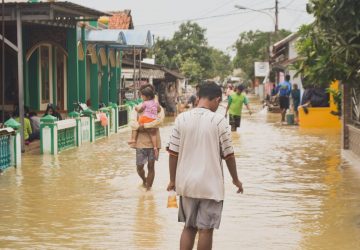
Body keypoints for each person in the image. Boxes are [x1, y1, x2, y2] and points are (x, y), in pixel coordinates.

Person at [167, 82, 243, 250]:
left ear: (198, 97)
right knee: (206, 230)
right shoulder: (219, 121)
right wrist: (236, 180)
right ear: (217, 99)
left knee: (189, 226)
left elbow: (173, 154)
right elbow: (229, 156)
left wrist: (172, 180)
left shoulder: (181, 119)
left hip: (186, 184)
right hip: (210, 185)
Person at [128, 84, 161, 158]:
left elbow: (140, 111)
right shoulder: (156, 103)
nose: (141, 97)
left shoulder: (144, 104)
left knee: (136, 126)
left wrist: (137, 109)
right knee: (140, 167)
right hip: (145, 138)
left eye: (142, 95)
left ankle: (133, 139)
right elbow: (159, 110)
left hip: (145, 123)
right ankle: (155, 147)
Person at [135, 126, 161, 191]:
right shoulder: (138, 115)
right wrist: (146, 125)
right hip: (140, 143)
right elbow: (135, 125)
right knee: (139, 167)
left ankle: (148, 189)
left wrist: (145, 125)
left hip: (154, 144)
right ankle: (144, 180)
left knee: (151, 166)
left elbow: (159, 122)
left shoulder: (157, 115)